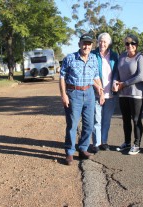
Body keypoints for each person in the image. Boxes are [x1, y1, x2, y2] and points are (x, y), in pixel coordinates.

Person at [59, 33, 103, 165]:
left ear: (91, 46)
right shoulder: (70, 58)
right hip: (74, 93)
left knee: (89, 124)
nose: (86, 46)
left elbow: (96, 77)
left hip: (89, 93)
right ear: (79, 44)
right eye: (84, 43)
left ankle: (83, 149)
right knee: (72, 124)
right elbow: (62, 77)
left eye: (89, 44)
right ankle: (70, 152)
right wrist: (64, 95)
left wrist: (100, 91)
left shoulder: (94, 58)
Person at [113, 34, 143, 155]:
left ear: (137, 45)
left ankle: (136, 144)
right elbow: (117, 72)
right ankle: (127, 142)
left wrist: (124, 84)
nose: (130, 46)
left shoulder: (140, 57)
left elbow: (141, 76)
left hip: (136, 94)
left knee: (136, 119)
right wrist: (115, 82)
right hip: (123, 94)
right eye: (127, 43)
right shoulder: (122, 56)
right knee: (125, 119)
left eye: (132, 43)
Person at [91, 32, 119, 153]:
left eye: (105, 41)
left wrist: (116, 83)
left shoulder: (114, 55)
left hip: (111, 93)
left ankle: (104, 141)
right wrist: (98, 87)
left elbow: (117, 71)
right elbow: (91, 73)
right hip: (96, 92)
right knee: (96, 119)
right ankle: (96, 143)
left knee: (106, 119)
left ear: (109, 43)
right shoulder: (93, 54)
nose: (102, 43)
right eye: (100, 41)